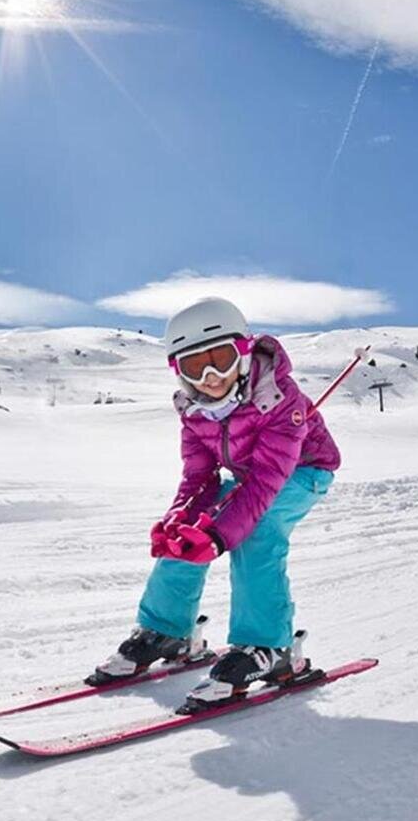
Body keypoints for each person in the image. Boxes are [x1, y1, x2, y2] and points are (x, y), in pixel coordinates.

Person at [91, 297, 341, 706]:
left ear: (242, 352)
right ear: (179, 372)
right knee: (186, 533)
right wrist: (177, 520)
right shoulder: (194, 411)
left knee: (256, 531)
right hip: (250, 476)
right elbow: (199, 478)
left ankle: (269, 648)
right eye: (195, 366)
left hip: (304, 471)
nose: (210, 377)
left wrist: (220, 537)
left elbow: (265, 483)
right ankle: (166, 631)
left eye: (220, 360)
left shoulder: (279, 399)